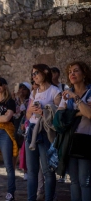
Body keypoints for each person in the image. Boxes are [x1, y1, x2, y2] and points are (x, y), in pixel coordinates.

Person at [25, 64, 61, 201]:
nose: (33, 76)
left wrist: (44, 111)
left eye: (36, 73)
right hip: (32, 131)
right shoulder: (34, 92)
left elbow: (59, 114)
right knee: (32, 171)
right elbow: (28, 115)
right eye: (32, 74)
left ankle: (49, 198)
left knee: (48, 171)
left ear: (45, 73)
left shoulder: (54, 91)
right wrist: (33, 110)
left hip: (46, 132)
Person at [56, 61, 91, 201]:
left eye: (76, 71)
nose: (72, 74)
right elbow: (59, 119)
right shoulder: (66, 95)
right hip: (69, 140)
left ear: (84, 74)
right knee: (74, 181)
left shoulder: (89, 92)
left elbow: (89, 114)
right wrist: (78, 112)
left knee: (85, 181)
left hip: (86, 140)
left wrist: (75, 98)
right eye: (70, 72)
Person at [12, 82, 31, 180]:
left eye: (24, 89)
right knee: (14, 150)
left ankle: (25, 171)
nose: (22, 91)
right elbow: (14, 113)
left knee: (24, 151)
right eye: (20, 88)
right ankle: (11, 171)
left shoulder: (29, 101)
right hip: (15, 126)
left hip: (24, 127)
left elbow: (25, 112)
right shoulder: (15, 101)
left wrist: (22, 101)